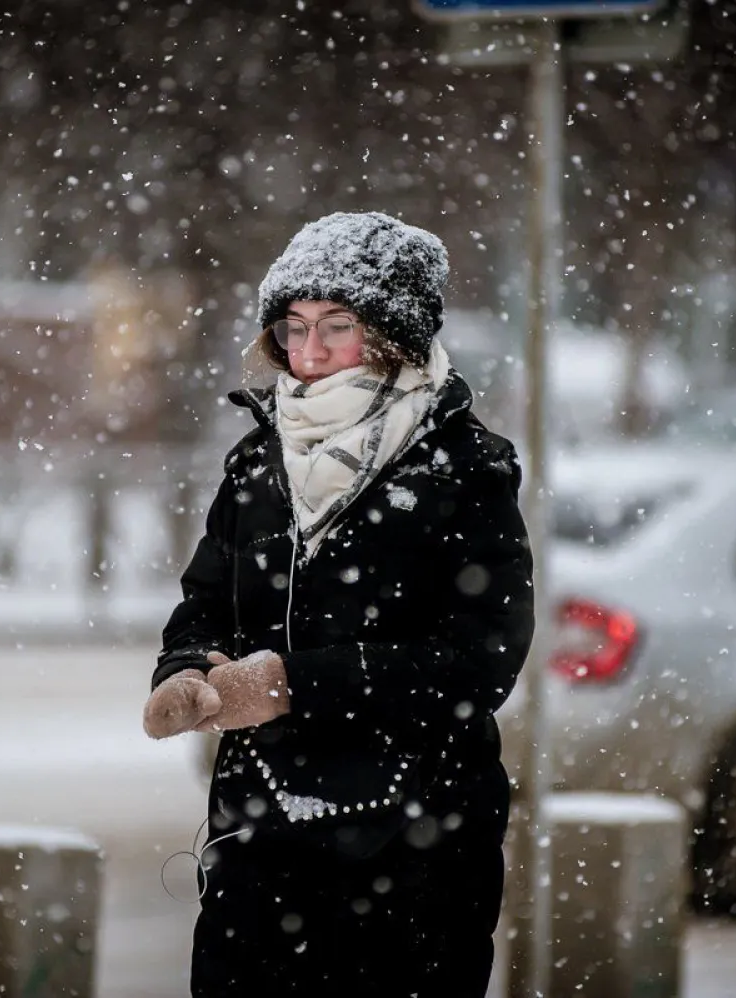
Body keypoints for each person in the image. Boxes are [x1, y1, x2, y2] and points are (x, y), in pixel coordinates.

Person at [143, 210, 535, 998]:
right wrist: (185, 668)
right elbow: (206, 599)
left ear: (394, 334)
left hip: (416, 843)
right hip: (260, 832)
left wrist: (292, 683)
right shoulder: (260, 460)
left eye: (337, 326)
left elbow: (477, 665)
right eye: (293, 327)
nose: (309, 353)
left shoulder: (462, 469)